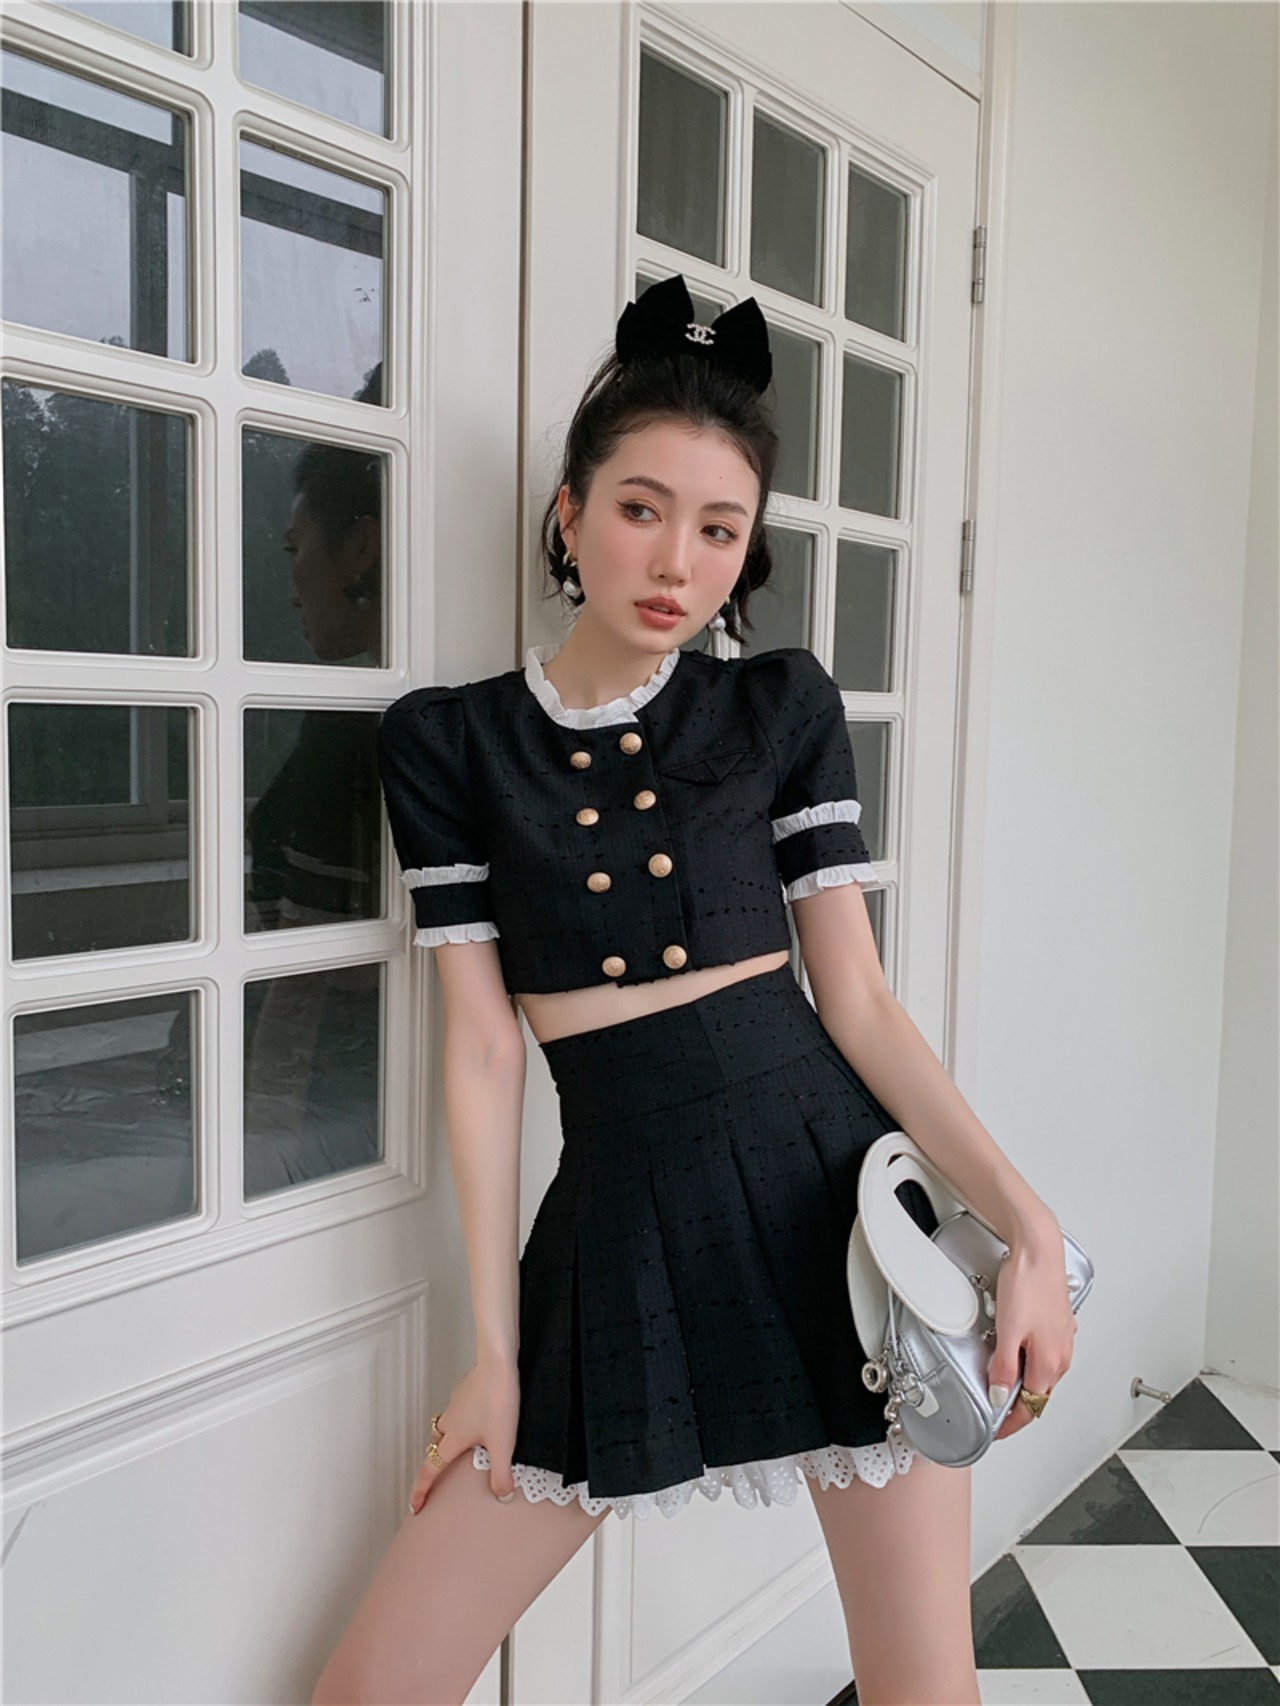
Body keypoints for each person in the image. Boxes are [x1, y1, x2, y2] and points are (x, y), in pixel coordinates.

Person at [311, 276, 1077, 1706]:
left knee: (925, 1688)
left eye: (720, 528)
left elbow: (858, 1003)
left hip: (840, 1219)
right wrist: (494, 1352)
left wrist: (1028, 1229)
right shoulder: (451, 746)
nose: (677, 560)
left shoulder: (780, 709)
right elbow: (484, 1051)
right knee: (374, 1687)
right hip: (617, 1224)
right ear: (569, 515)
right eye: (641, 508)